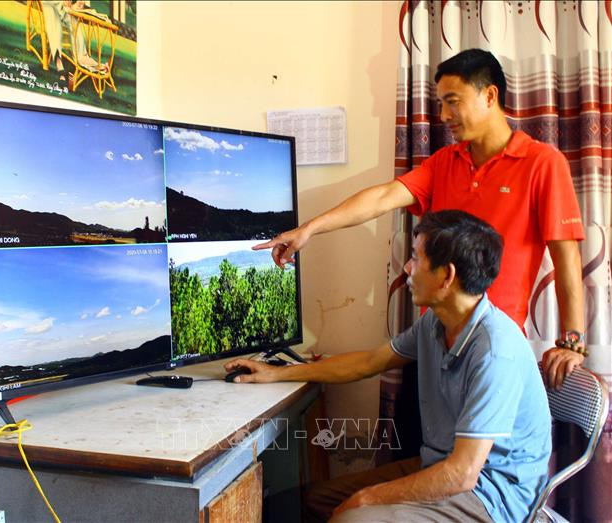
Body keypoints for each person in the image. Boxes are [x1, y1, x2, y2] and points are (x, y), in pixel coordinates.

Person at [254, 49, 586, 390]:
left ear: (490, 95)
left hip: (491, 350)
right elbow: (382, 197)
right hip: (436, 342)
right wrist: (308, 230)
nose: (443, 115)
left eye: (452, 102)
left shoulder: (542, 163)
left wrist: (572, 340)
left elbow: (567, 259)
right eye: (441, 103)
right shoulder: (444, 162)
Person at [228, 210, 551, 522]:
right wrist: (278, 373)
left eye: (416, 258)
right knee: (309, 503)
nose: (407, 268)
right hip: (439, 465)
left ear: (447, 276)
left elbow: (462, 474)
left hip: (491, 497)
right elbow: (370, 361)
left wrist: (367, 498)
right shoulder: (435, 324)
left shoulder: (495, 352)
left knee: (352, 518)